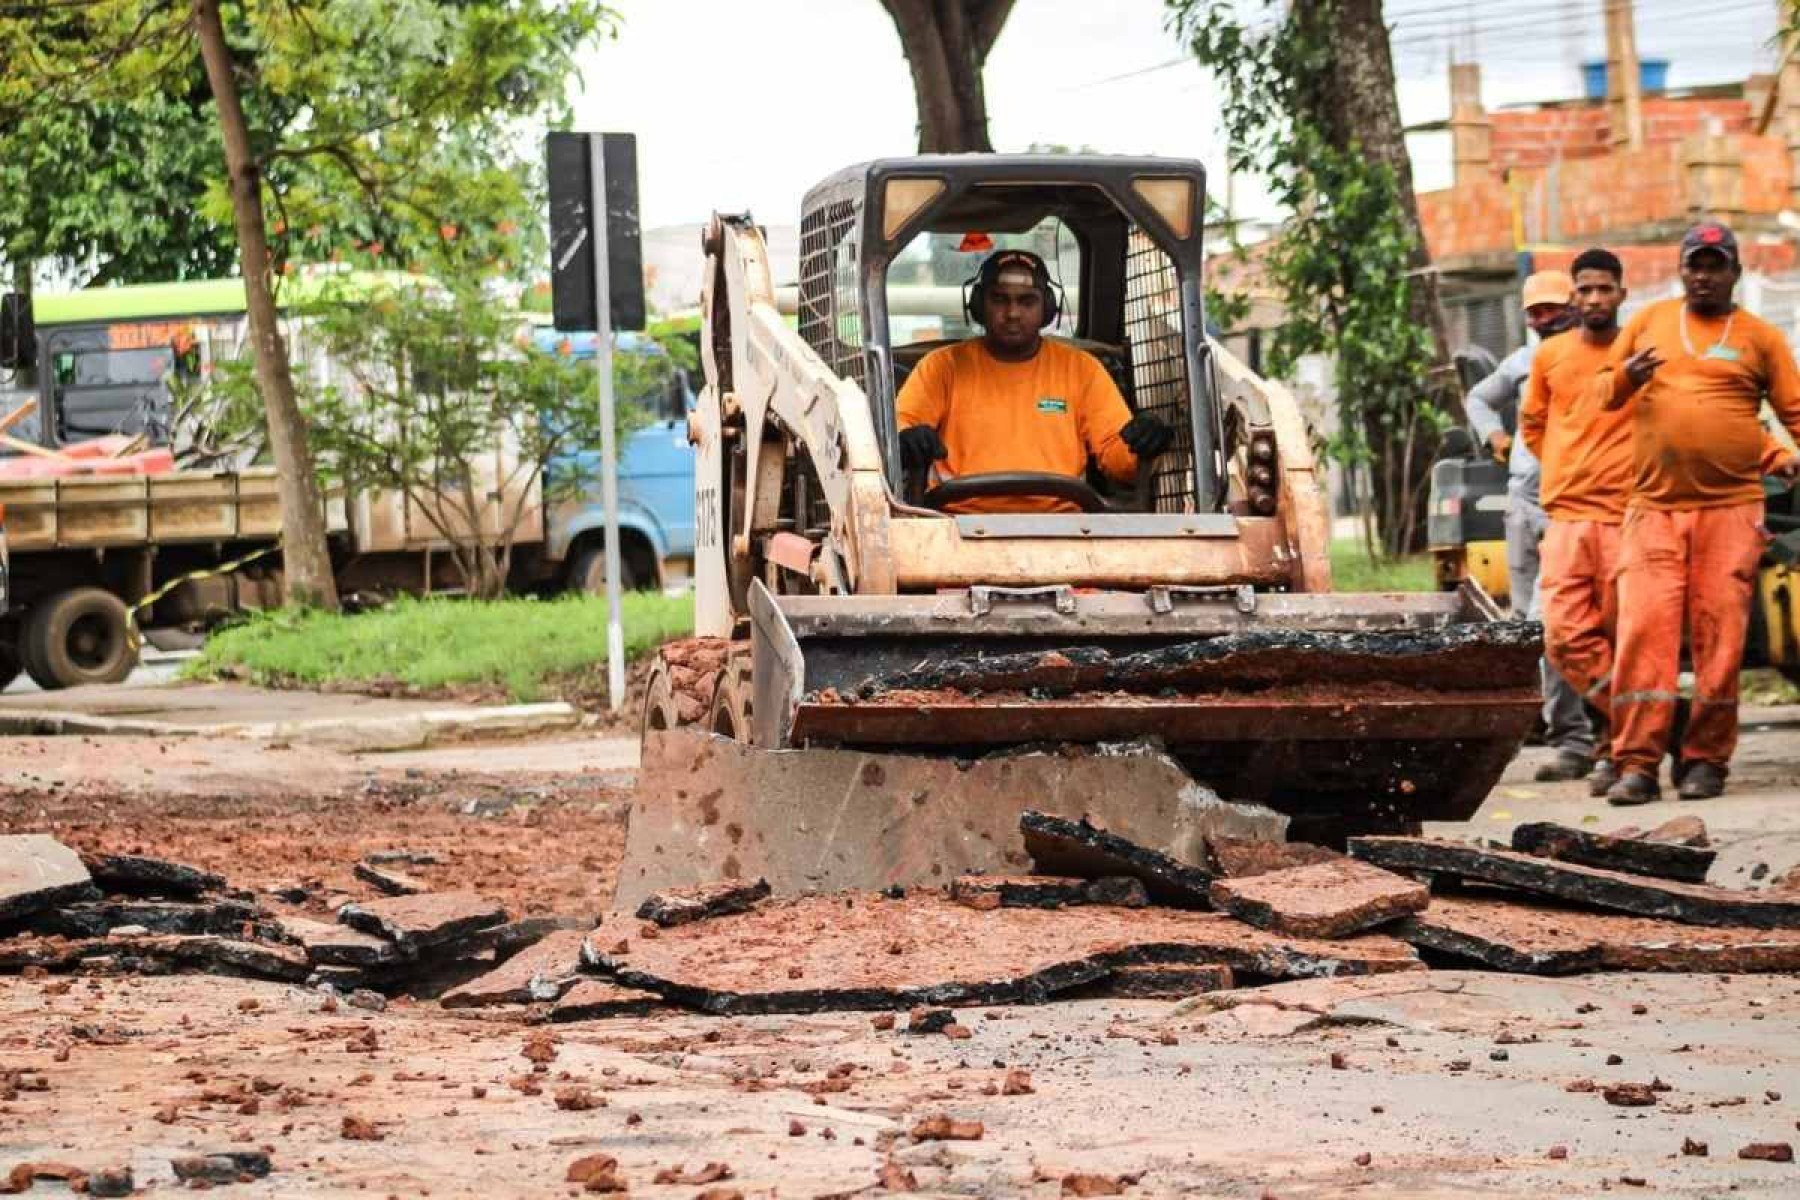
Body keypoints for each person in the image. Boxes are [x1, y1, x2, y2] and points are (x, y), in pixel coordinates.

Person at [1598, 222, 1800, 803]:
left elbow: (1792, 409)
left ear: (1734, 271)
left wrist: (1784, 455)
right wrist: (1626, 377)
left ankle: (1707, 761)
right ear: (1680, 269)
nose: (1704, 275)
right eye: (1695, 264)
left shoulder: (1761, 337)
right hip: (1654, 508)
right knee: (1643, 633)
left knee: (1722, 637)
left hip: (1732, 509)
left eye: (1715, 265)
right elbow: (1601, 394)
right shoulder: (1646, 324)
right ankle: (1636, 763)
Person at [896, 248, 1173, 513]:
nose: (1013, 313)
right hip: (956, 526)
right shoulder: (942, 367)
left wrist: (1145, 442)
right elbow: (901, 424)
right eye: (1000, 299)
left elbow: (1119, 460)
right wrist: (907, 439)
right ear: (979, 305)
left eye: (1027, 301)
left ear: (1048, 308)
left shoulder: (1081, 370)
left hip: (1064, 530)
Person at [1465, 269, 1595, 782]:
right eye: (1536, 312)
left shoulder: (1598, 358)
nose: (1545, 318)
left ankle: (1579, 736)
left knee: (1559, 618)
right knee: (1526, 621)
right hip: (1524, 497)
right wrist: (1495, 437)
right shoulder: (1522, 362)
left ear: (1575, 306)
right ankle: (1551, 722)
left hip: (1575, 501)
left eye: (1553, 308)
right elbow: (1477, 398)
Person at [1519, 249, 1631, 798]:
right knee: (1562, 633)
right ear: (1574, 298)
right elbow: (1535, 427)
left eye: (1602, 290)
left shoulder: (1638, 351)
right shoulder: (1551, 357)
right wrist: (1571, 466)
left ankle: (1617, 751)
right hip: (1566, 515)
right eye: (1583, 291)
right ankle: (1641, 726)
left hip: (1626, 517)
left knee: (1620, 637)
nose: (1592, 300)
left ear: (1621, 294)